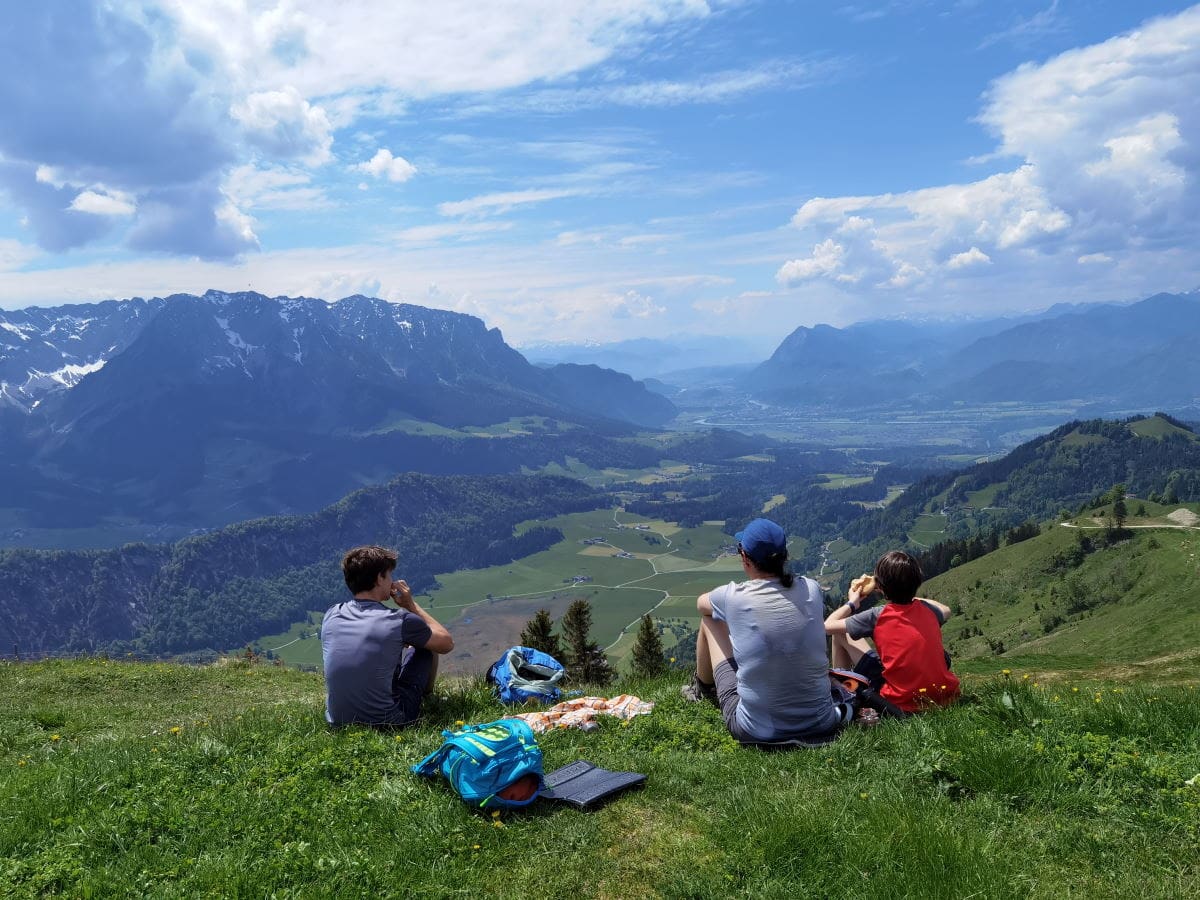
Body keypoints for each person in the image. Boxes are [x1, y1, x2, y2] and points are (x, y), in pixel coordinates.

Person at [681, 518, 847, 743]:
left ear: (744, 558)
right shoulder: (812, 588)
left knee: (710, 620)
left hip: (756, 731)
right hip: (822, 723)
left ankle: (702, 688)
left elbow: (701, 604)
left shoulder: (733, 597)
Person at [321, 545, 454, 727]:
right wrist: (411, 605)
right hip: (390, 721)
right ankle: (427, 696)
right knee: (426, 648)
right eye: (389, 575)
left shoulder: (332, 614)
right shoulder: (400, 620)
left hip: (338, 721)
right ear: (379, 578)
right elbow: (446, 643)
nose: (392, 581)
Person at [825, 550, 959, 714]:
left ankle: (844, 696)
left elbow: (828, 625)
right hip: (944, 697)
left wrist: (852, 603)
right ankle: (845, 693)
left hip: (899, 704)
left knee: (839, 634)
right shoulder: (928, 610)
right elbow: (946, 610)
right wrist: (911, 595)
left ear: (880, 588)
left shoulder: (877, 615)